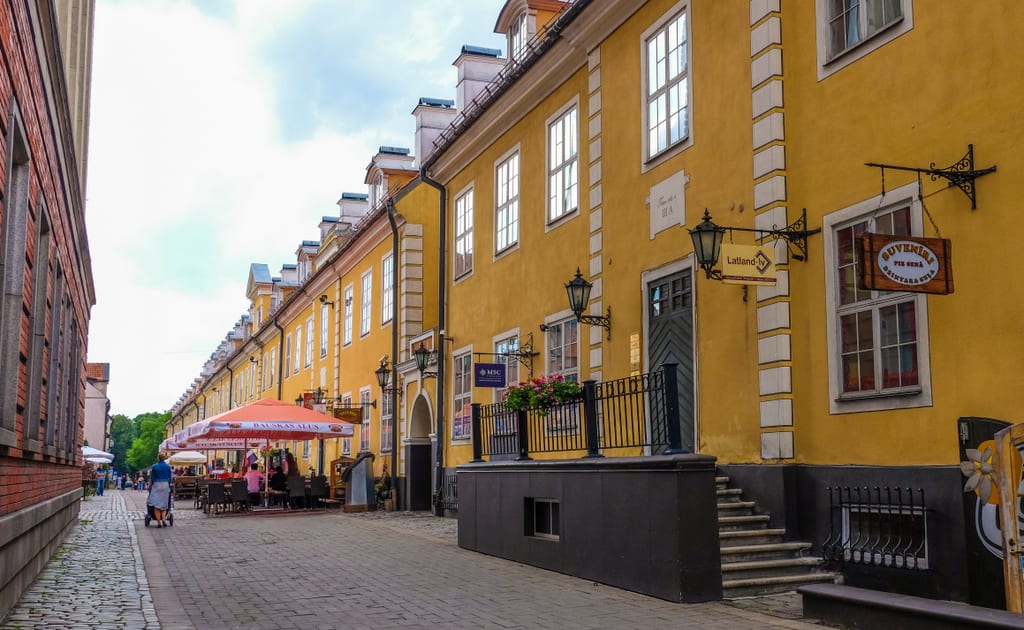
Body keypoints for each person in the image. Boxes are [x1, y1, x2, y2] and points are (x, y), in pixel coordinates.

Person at [148, 454, 173, 527]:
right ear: (164, 458)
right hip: (165, 485)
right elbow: (170, 478)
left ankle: (159, 522)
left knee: (156, 505)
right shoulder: (168, 467)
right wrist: (168, 485)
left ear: (158, 458)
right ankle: (164, 519)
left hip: (157, 485)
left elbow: (152, 478)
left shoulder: (155, 467)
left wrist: (150, 486)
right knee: (164, 504)